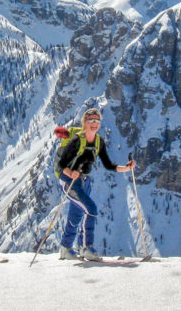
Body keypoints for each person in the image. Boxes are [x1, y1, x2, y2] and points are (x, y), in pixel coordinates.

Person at [58, 108, 135, 261]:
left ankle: (66, 248)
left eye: (97, 120)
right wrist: (70, 173)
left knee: (77, 214)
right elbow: (61, 165)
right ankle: (87, 248)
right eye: (91, 120)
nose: (94, 123)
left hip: (83, 181)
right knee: (91, 209)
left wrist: (127, 168)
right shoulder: (77, 140)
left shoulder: (98, 141)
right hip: (70, 182)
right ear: (84, 122)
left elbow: (108, 165)